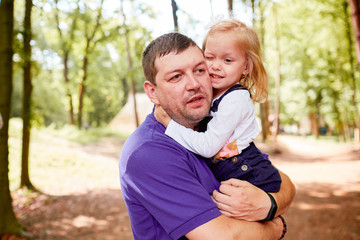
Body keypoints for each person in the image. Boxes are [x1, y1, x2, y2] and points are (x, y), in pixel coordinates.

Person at [119, 32, 295, 240]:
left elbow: (284, 182)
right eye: (176, 76)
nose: (193, 83)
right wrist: (276, 227)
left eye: (199, 70)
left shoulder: (209, 125)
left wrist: (269, 204)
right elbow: (224, 237)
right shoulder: (148, 152)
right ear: (152, 92)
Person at [160, 19, 281, 193]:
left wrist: (169, 124)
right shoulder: (213, 92)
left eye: (228, 60)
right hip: (230, 170)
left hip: (248, 174)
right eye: (209, 57)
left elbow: (209, 147)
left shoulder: (236, 99)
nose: (215, 66)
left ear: (246, 67)